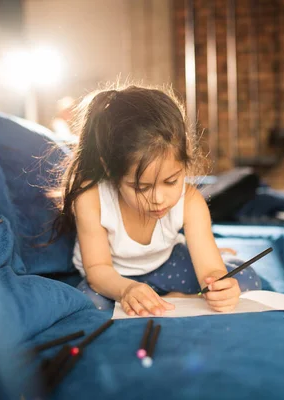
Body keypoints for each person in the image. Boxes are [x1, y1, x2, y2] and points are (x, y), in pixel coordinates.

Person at [49, 85, 260, 316]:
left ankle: (175, 298)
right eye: (141, 187)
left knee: (246, 280)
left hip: (166, 263)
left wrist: (220, 285)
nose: (158, 200)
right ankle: (171, 298)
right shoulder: (91, 199)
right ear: (110, 169)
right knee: (90, 307)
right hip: (114, 278)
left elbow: (210, 270)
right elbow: (98, 270)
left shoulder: (190, 201)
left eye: (171, 182)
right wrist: (126, 289)